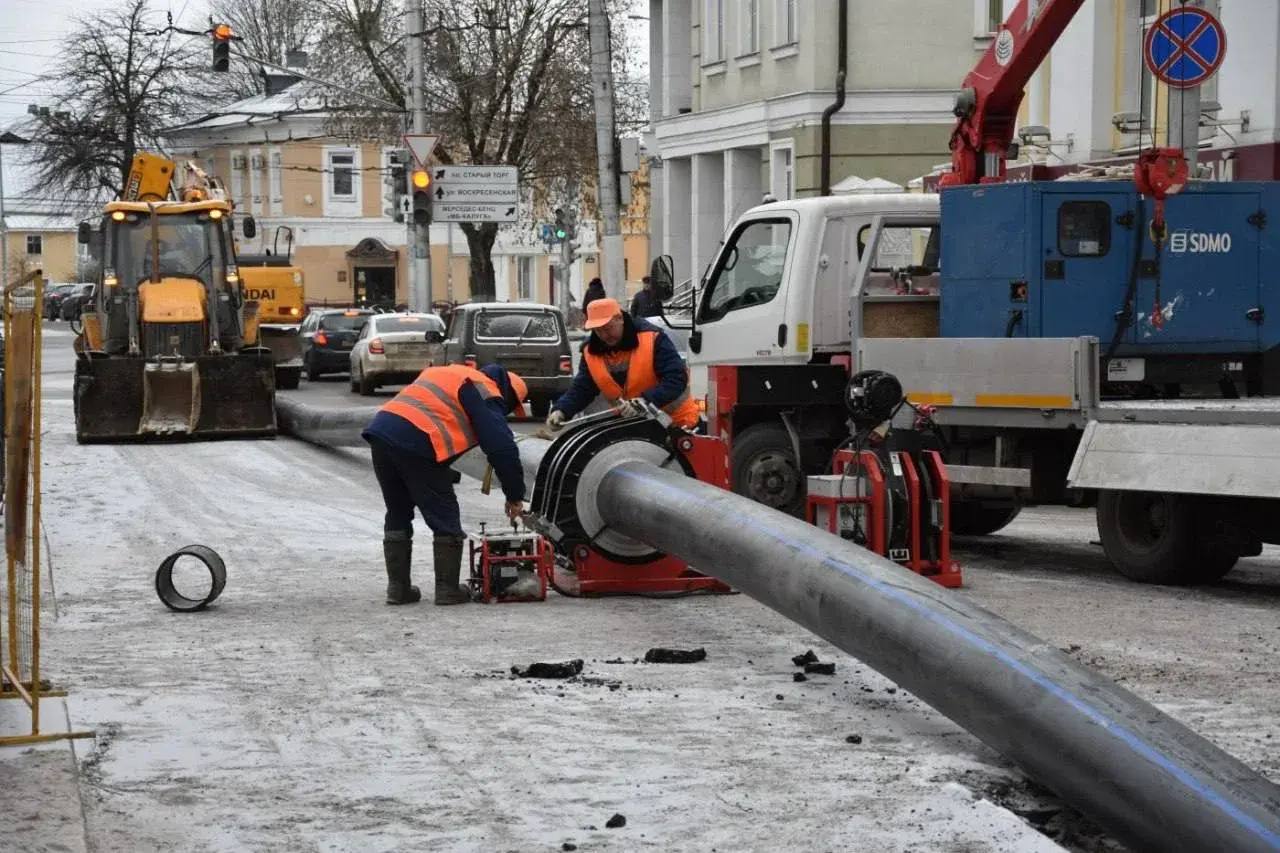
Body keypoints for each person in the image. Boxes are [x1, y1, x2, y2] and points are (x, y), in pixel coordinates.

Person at [362, 363, 528, 606]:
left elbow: (435, 415)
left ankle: (398, 589)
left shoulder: (450, 373)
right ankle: (447, 589)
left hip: (381, 434)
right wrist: (515, 495)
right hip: (417, 441)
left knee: (397, 511)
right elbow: (502, 448)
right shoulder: (485, 390)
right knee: (444, 514)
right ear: (507, 393)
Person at [546, 298, 699, 431]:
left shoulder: (653, 338)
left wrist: (645, 400)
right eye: (598, 331)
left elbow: (676, 378)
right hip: (636, 427)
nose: (604, 335)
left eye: (607, 328)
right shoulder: (590, 352)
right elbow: (581, 389)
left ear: (620, 318)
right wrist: (562, 410)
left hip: (677, 424)